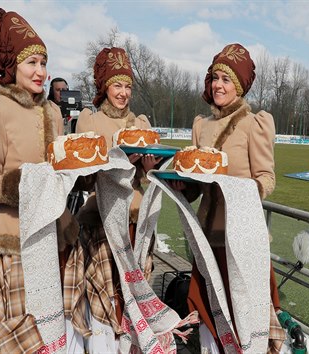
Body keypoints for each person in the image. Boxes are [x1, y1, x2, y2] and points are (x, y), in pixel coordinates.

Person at [171, 43, 285, 353]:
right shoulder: (201, 126)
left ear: (239, 86)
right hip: (208, 237)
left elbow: (267, 178)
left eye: (226, 80)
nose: (218, 85)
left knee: (246, 318)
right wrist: (183, 187)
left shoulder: (253, 124)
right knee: (210, 315)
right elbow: (196, 183)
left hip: (242, 239)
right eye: (215, 78)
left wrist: (242, 192)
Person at [0, 8, 64, 353]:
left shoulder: (53, 112)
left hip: (55, 237)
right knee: (21, 342)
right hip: (13, 243)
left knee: (56, 336)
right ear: (11, 65)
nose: (41, 72)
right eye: (31, 63)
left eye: (43, 63)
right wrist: (16, 185)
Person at [68, 47, 161, 351]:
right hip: (100, 226)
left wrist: (147, 169)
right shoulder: (90, 122)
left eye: (128, 86)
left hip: (135, 226)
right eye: (117, 85)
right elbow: (81, 179)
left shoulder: (141, 126)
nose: (123, 93)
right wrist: (113, 160)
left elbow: (147, 180)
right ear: (104, 86)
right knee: (106, 306)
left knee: (135, 306)